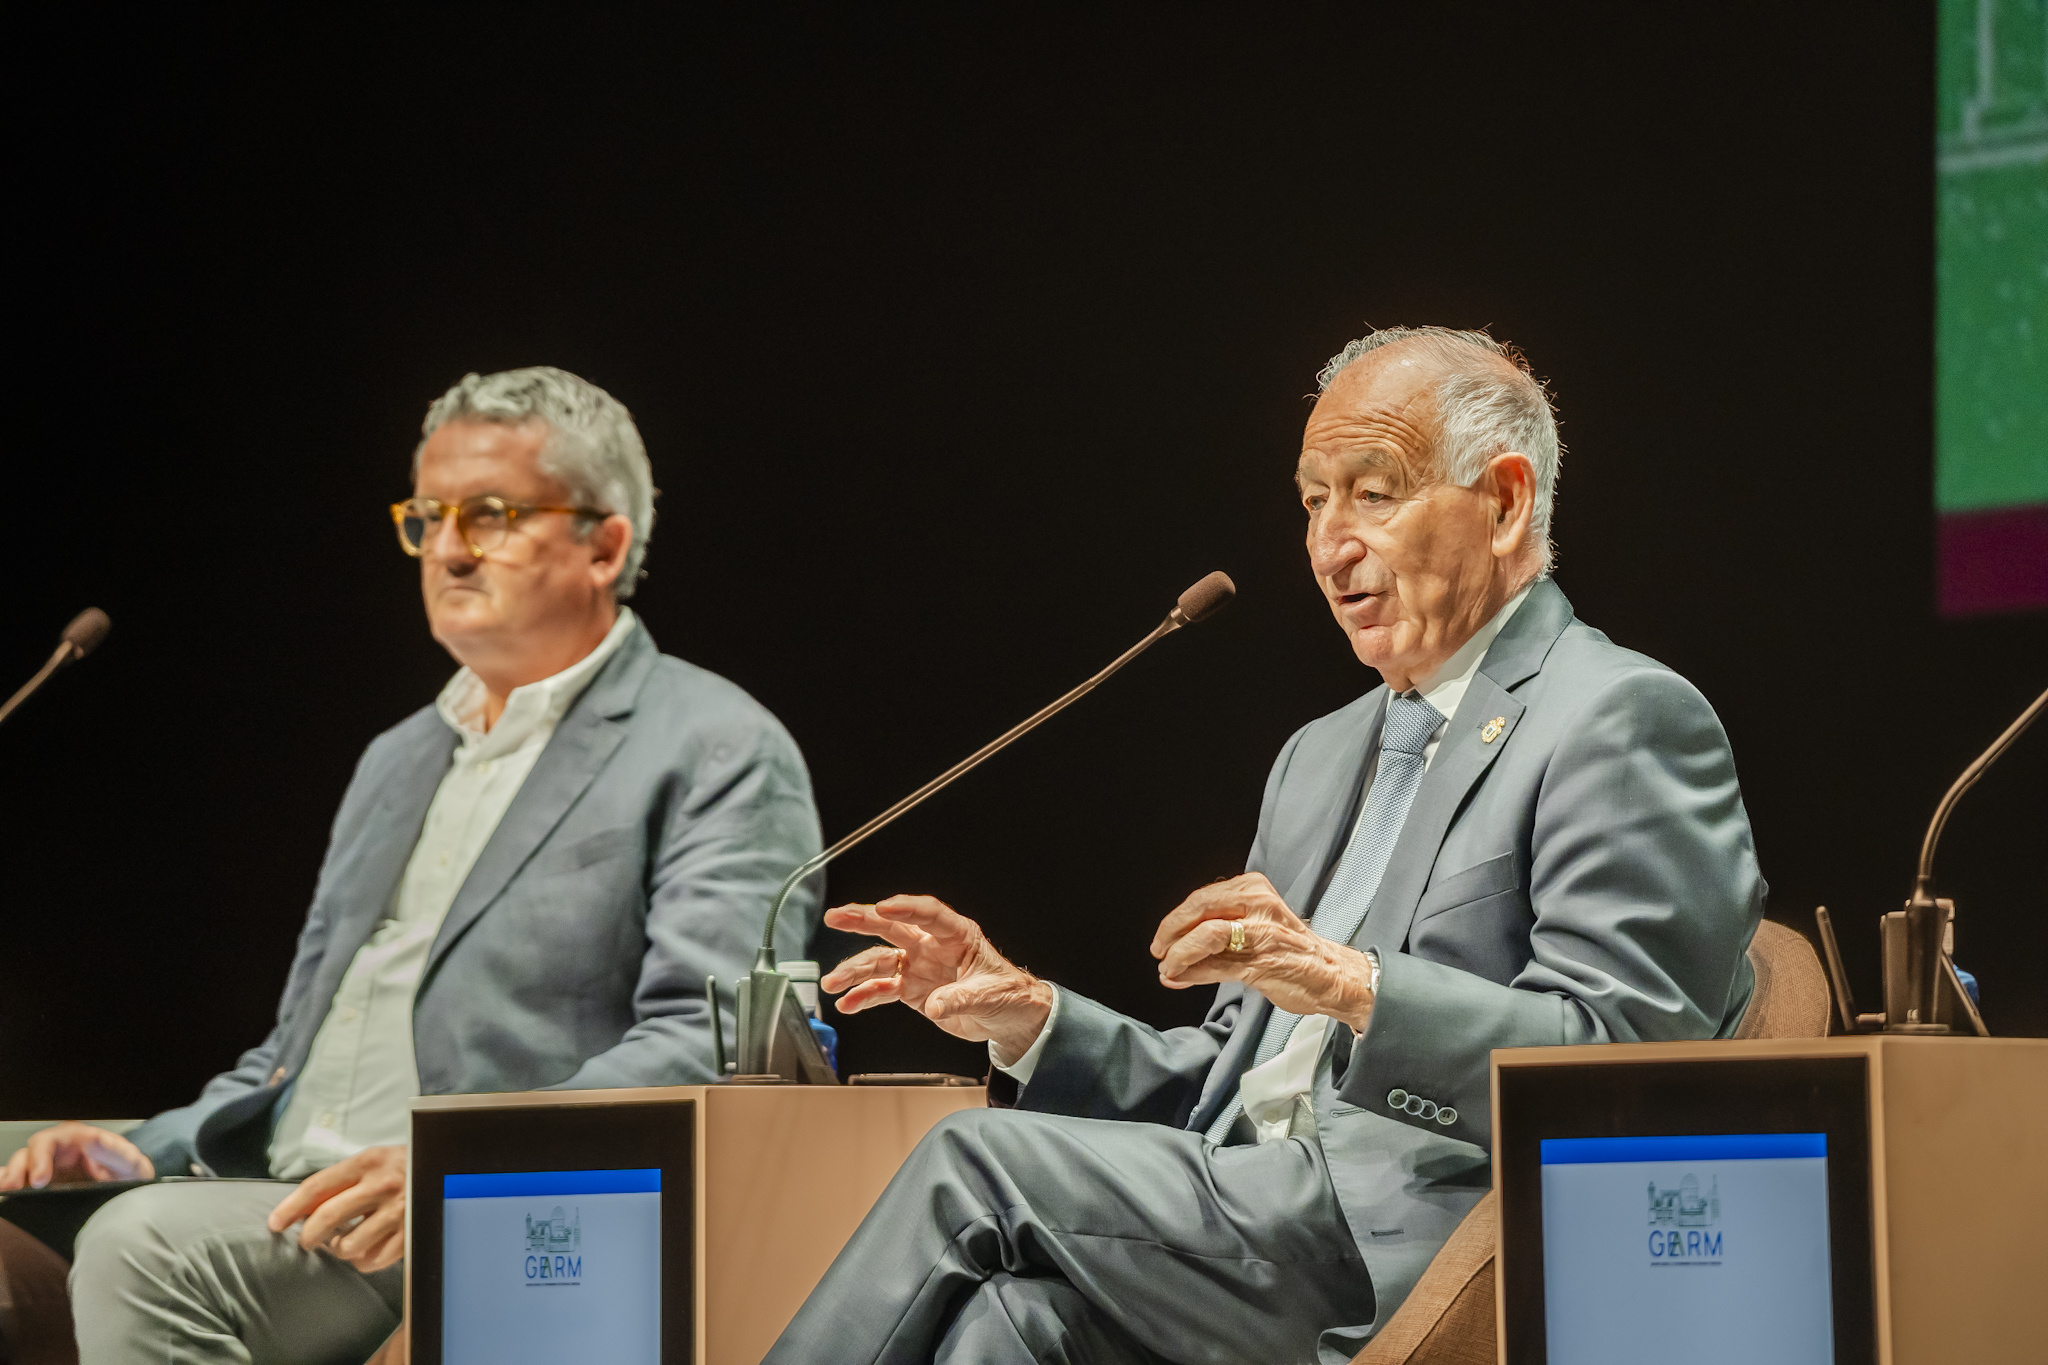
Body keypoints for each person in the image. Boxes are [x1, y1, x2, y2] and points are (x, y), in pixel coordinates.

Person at [767, 327, 1765, 1365]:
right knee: (1009, 1328)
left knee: (970, 1162)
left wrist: (1354, 986)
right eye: (1312, 501)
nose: (1329, 546)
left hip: (1416, 1241)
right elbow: (1228, 1079)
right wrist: (1034, 1019)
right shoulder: (1319, 756)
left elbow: (1627, 1065)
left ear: (1505, 502)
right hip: (1248, 1216)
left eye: (1372, 494)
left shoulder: (1616, 717)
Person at [0, 367, 823, 1364]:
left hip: (499, 1211)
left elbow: (713, 1043)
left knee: (148, 1247)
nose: (447, 549)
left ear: (603, 545)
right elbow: (293, 1056)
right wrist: (145, 1147)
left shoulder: (714, 744)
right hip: (287, 1193)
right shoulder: (397, 759)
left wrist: (454, 1162)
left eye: (490, 515)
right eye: (428, 517)